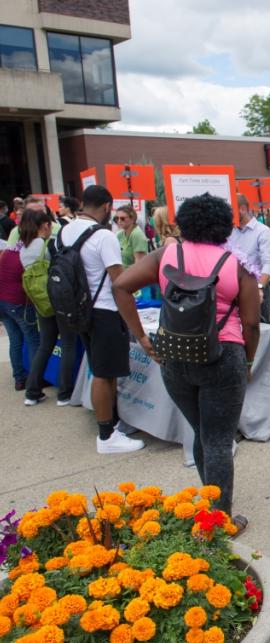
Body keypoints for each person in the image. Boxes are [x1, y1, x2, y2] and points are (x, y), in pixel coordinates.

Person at [114, 194, 260, 530]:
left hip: (174, 356)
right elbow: (251, 324)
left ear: (186, 223)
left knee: (200, 432)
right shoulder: (235, 264)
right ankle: (219, 519)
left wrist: (141, 337)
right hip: (224, 355)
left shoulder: (167, 254)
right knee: (219, 439)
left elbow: (121, 286)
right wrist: (248, 362)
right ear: (225, 226)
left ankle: (209, 502)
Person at [57, 185, 145, 453]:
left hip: (80, 310)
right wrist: (138, 330)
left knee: (100, 369)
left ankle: (110, 424)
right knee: (105, 374)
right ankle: (106, 435)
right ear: (107, 206)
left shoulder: (65, 230)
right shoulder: (104, 236)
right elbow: (121, 283)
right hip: (105, 310)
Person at [20, 210, 78, 406]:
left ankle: (32, 391)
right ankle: (65, 393)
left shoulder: (24, 248)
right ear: (44, 225)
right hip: (58, 299)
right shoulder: (48, 245)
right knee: (69, 343)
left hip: (40, 303)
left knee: (45, 345)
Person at [0, 222, 40, 391]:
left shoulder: (7, 253)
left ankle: (19, 378)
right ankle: (35, 380)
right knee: (32, 340)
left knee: (15, 340)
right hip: (19, 302)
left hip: (3, 302)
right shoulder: (27, 255)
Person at [230, 195, 270, 322]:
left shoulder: (263, 232)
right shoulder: (230, 232)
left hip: (256, 289)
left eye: (231, 211)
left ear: (243, 209)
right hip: (234, 290)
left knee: (260, 332)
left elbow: (269, 263)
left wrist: (259, 287)